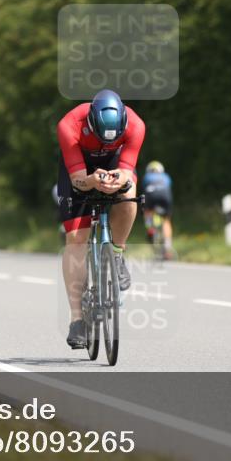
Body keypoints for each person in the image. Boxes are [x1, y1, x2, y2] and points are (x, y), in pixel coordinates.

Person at [57, 89, 145, 349]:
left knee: (129, 196)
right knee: (76, 239)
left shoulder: (137, 125)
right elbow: (77, 180)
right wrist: (92, 181)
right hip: (79, 167)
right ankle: (77, 320)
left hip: (116, 162)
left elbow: (127, 172)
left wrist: (119, 179)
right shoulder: (69, 125)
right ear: (91, 122)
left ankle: (116, 253)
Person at [141, 161, 174, 259]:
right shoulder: (166, 176)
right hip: (165, 196)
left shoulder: (147, 177)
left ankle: (150, 228)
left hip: (151, 195)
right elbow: (168, 187)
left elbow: (144, 189)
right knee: (166, 220)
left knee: (147, 212)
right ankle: (168, 248)